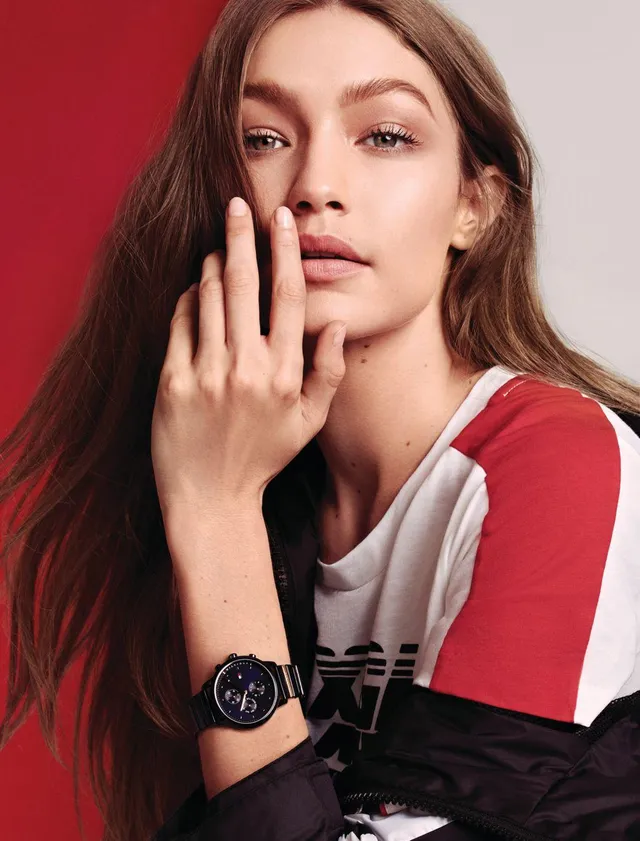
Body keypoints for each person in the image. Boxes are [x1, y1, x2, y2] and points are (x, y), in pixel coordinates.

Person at [1, 1, 639, 840]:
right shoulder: (271, 495)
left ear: (475, 207)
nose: (315, 186)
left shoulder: (560, 464)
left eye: (386, 136)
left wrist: (215, 511)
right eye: (265, 138)